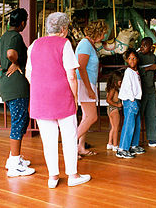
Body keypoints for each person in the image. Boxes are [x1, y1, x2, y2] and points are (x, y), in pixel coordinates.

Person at [26, 12, 90, 188]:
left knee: (48, 139)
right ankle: (73, 175)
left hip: (41, 99)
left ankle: (53, 177)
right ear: (63, 29)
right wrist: (75, 97)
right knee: (69, 136)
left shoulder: (34, 45)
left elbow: (28, 74)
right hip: (62, 97)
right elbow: (71, 75)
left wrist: (41, 87)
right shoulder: (65, 43)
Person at [0, 8, 35, 177]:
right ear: (22, 23)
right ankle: (14, 163)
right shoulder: (15, 36)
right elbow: (11, 53)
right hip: (16, 86)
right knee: (19, 122)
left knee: (21, 119)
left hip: (8, 84)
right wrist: (17, 62)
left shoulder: (5, 36)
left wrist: (14, 61)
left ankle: (14, 158)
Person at [75, 20, 108, 157]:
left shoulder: (89, 44)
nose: (105, 35)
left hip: (87, 83)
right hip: (84, 83)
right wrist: (89, 89)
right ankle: (70, 145)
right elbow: (81, 68)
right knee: (92, 117)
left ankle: (80, 147)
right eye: (103, 33)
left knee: (86, 117)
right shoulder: (85, 44)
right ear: (98, 32)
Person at [138, 37, 156, 147]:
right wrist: (149, 68)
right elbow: (134, 71)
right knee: (138, 114)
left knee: (152, 114)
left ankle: (153, 139)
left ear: (151, 47)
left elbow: (155, 74)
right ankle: (135, 140)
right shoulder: (138, 57)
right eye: (141, 45)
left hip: (150, 89)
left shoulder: (153, 57)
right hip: (140, 90)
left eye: (145, 46)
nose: (142, 47)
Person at [116, 48, 145, 159]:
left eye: (134, 58)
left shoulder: (135, 72)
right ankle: (122, 148)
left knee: (136, 124)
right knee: (129, 124)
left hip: (136, 99)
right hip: (130, 100)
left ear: (137, 59)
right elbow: (128, 87)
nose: (132, 60)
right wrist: (132, 100)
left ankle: (133, 145)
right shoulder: (128, 71)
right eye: (129, 58)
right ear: (126, 61)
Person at [105, 71, 123, 151]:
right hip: (114, 109)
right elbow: (108, 100)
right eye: (120, 81)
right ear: (116, 81)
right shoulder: (113, 89)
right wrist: (117, 105)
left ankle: (110, 143)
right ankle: (115, 145)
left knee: (113, 127)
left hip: (110, 109)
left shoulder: (111, 88)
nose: (121, 83)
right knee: (116, 128)